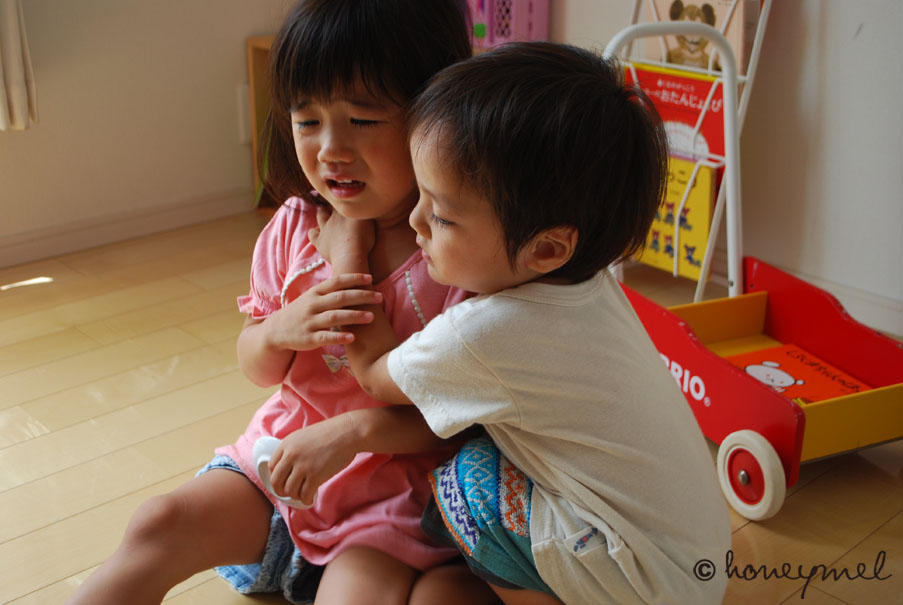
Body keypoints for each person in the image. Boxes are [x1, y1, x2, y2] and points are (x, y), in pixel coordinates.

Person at [66, 1, 499, 604]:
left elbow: (460, 419)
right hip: (277, 468)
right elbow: (256, 363)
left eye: (363, 119)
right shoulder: (295, 226)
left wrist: (350, 433)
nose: (331, 149)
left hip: (389, 501)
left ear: (436, 116)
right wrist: (277, 331)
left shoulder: (462, 257)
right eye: (307, 120)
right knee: (159, 523)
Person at [304, 42, 732, 604]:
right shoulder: (594, 285)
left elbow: (375, 375)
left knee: (467, 481)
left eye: (441, 214)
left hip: (635, 578)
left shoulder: (485, 333)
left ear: (547, 248)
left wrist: (346, 256)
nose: (414, 221)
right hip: (696, 564)